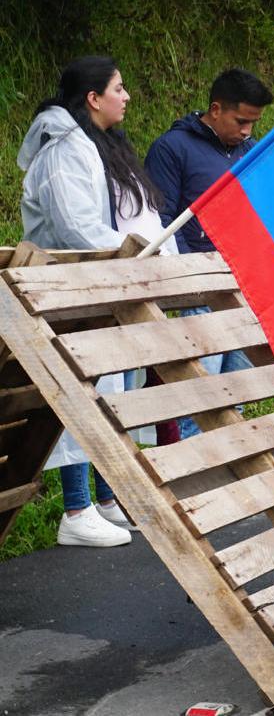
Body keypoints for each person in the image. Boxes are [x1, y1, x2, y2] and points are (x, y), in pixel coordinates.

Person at [19, 56, 178, 547]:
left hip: (103, 284)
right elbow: (74, 227)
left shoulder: (98, 143)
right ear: (93, 97)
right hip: (71, 287)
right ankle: (75, 509)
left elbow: (133, 214)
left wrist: (145, 255)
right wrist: (133, 256)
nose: (127, 96)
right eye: (119, 87)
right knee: (81, 399)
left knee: (111, 396)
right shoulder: (63, 148)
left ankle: (105, 499)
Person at [145, 68, 274, 438]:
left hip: (247, 289)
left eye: (254, 122)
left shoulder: (251, 153)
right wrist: (192, 276)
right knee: (198, 398)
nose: (248, 130)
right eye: (241, 121)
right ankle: (192, 484)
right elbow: (161, 219)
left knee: (237, 393)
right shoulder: (172, 148)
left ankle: (222, 476)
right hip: (198, 291)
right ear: (215, 109)